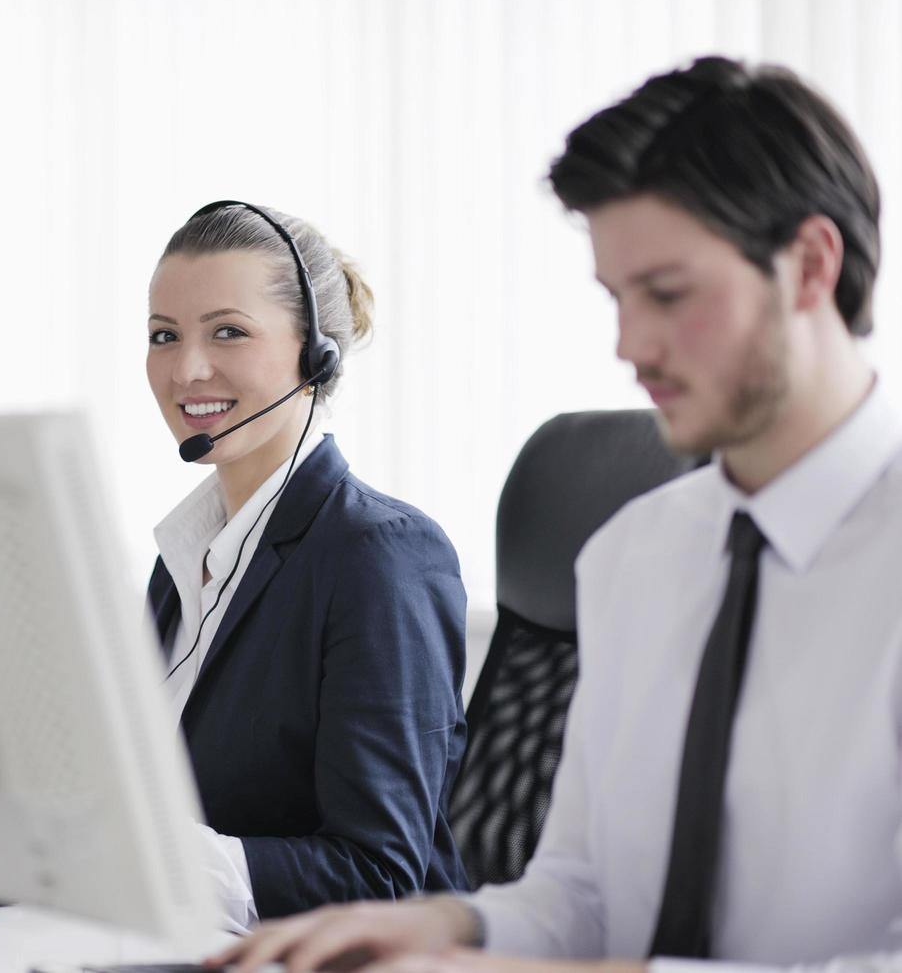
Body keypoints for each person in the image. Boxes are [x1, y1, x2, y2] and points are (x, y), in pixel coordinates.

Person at [214, 56, 901, 972]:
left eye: (667, 294)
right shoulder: (638, 555)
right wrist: (451, 930)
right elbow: (580, 888)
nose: (629, 346)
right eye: (615, 300)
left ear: (812, 266)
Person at [145, 201, 468, 932]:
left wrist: (154, 857)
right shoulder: (179, 562)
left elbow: (379, 875)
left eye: (228, 331)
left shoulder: (379, 557)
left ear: (314, 356)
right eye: (164, 336)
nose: (187, 368)